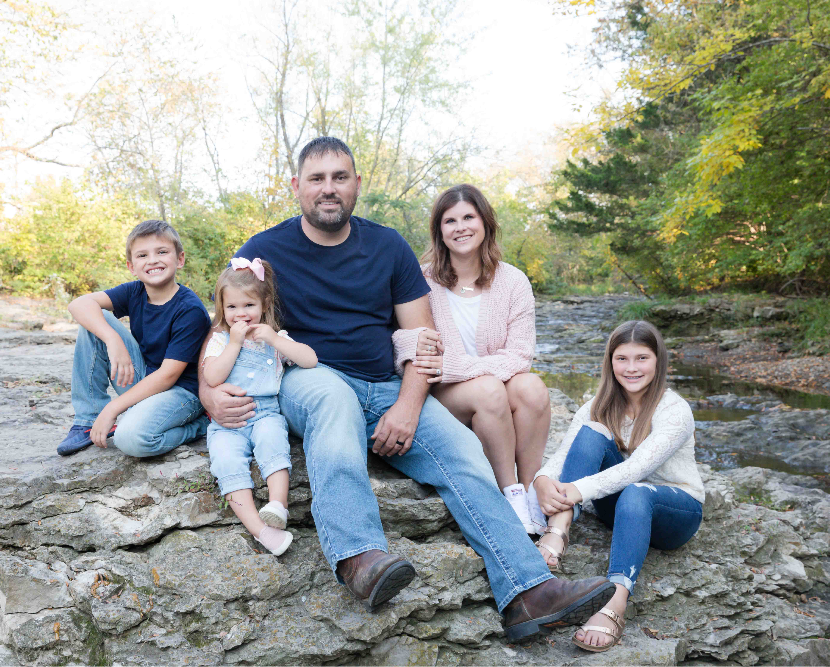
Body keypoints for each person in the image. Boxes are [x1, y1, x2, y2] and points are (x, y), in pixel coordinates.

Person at [198, 136, 615, 642]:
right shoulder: (263, 250)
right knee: (333, 403)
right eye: (317, 178)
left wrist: (408, 407)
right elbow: (223, 325)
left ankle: (528, 590)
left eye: (340, 177)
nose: (328, 189)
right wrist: (208, 392)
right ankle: (359, 556)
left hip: (386, 385)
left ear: (356, 184)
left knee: (462, 450)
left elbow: (422, 341)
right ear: (296, 187)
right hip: (311, 377)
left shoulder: (387, 245)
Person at [532, 320, 704, 652]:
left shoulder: (674, 410)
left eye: (642, 358)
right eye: (622, 358)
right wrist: (541, 480)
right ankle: (558, 529)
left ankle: (615, 603)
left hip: (675, 513)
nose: (631, 368)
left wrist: (576, 490)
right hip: (621, 507)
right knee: (593, 431)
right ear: (610, 361)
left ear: (658, 361)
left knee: (637, 489)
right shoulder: (597, 405)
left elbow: (638, 469)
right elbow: (563, 455)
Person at [392, 184, 551, 536]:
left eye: (468, 217)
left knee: (533, 387)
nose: (460, 227)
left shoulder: (513, 281)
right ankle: (508, 494)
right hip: (444, 395)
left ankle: (531, 491)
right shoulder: (421, 279)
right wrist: (428, 358)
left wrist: (461, 367)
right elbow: (400, 337)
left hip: (481, 381)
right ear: (439, 231)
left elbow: (521, 354)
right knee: (490, 390)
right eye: (450, 220)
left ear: (485, 223)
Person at [57, 220, 211, 457]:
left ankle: (199, 427)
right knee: (96, 319)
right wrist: (112, 339)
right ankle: (88, 420)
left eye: (162, 252)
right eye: (142, 255)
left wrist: (113, 408)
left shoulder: (190, 310)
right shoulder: (135, 291)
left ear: (179, 259)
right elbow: (78, 304)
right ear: (131, 266)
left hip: (182, 392)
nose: (152, 260)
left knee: (130, 439)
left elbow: (168, 375)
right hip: (145, 377)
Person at [200, 257, 318, 556]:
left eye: (248, 306)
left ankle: (278, 504)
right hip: (227, 423)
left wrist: (276, 340)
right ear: (222, 310)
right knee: (226, 461)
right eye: (232, 308)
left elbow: (309, 360)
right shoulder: (220, 339)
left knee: (272, 442)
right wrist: (235, 344)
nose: (241, 314)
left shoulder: (274, 338)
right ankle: (260, 530)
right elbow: (212, 377)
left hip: (265, 412)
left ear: (264, 304)